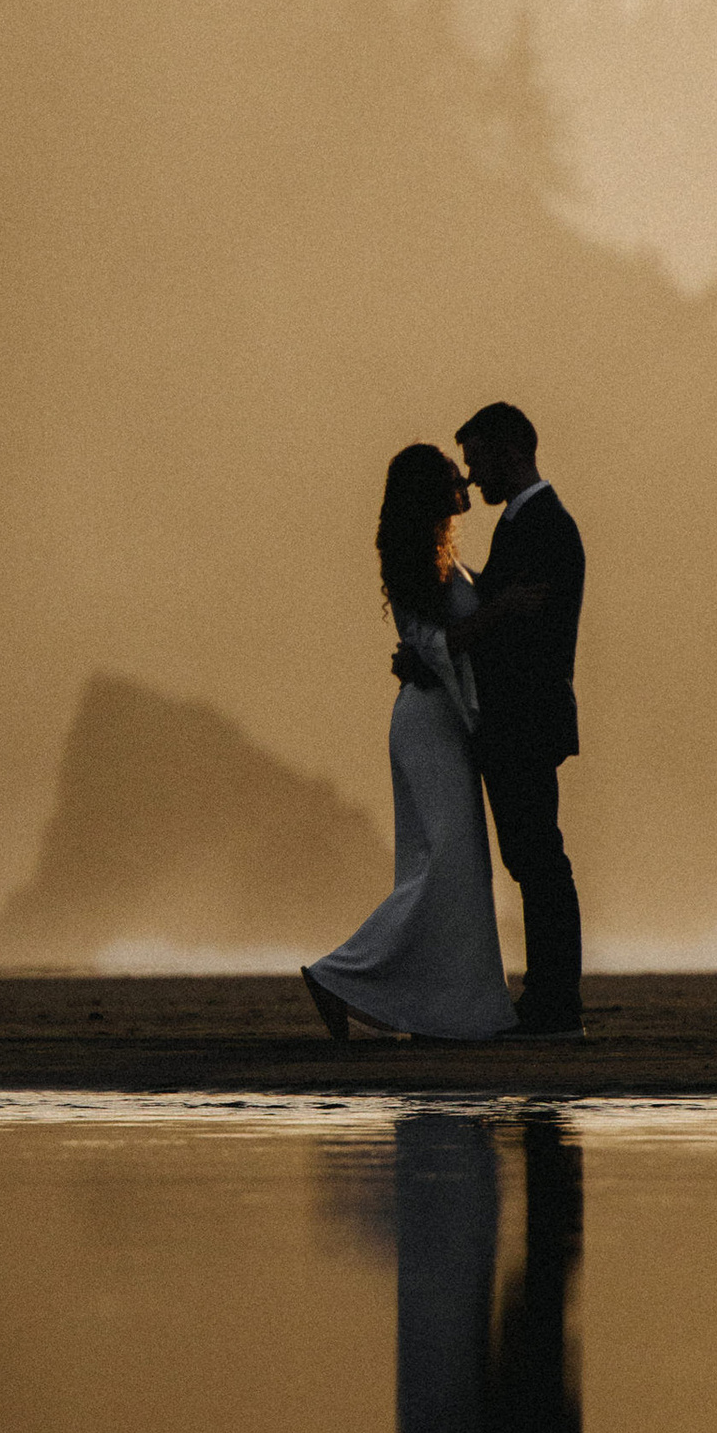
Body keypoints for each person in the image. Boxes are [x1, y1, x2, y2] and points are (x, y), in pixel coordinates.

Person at [301, 444, 520, 1044]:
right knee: (445, 860)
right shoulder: (417, 562)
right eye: (453, 477)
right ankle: (339, 974)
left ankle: (457, 1007)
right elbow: (433, 644)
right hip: (430, 723)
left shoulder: (447, 560)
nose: (465, 481)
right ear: (430, 491)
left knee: (455, 865)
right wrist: (499, 616)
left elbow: (436, 646)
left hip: (440, 720)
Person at [439, 401, 586, 1038]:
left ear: (509, 451)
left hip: (524, 718)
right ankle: (549, 997)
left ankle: (554, 1001)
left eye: (477, 461)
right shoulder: (530, 524)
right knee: (533, 857)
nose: (473, 478)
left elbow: (520, 628)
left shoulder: (544, 526)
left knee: (538, 859)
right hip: (523, 719)